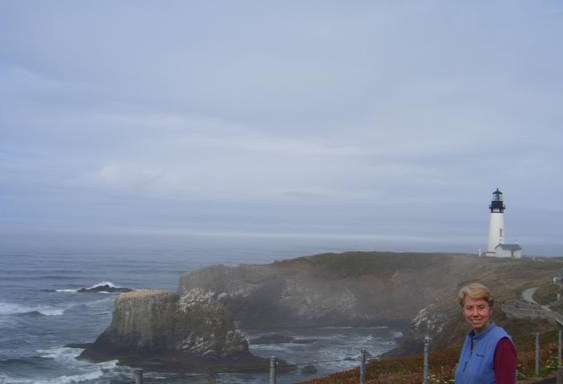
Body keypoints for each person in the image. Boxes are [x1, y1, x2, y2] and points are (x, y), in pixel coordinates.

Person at [454, 282, 517, 384]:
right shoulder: (470, 338)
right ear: (463, 311)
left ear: (490, 310)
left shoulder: (502, 344)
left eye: (481, 307)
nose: (475, 314)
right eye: (469, 308)